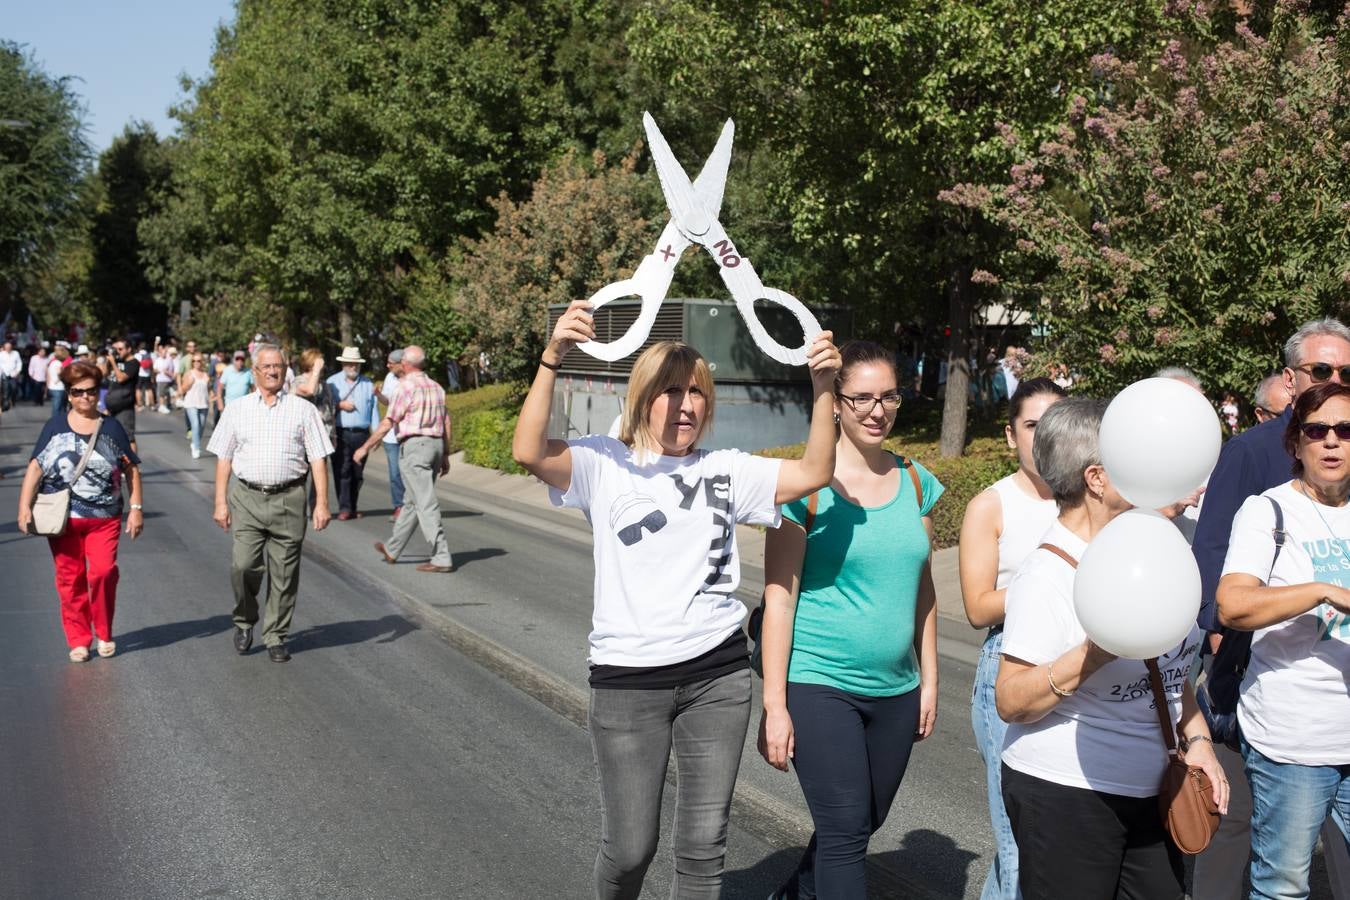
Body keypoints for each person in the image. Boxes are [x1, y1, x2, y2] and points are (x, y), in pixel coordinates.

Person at [511, 299, 840, 900]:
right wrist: (552, 357)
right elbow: (528, 451)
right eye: (670, 391)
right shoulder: (603, 464)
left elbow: (816, 471)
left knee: (703, 847)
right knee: (631, 847)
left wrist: (823, 387)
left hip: (717, 677)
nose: (684, 405)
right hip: (628, 681)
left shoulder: (727, 469)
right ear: (642, 398)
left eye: (696, 393)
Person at [996, 397, 1226, 900]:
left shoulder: (1150, 549)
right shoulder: (1048, 574)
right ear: (1097, 478)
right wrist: (1097, 649)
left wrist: (1200, 741)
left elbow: (1170, 671)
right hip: (1065, 794)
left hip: (1153, 793)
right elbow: (1011, 701)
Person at [758, 340, 942, 900]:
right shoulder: (802, 489)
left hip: (896, 688)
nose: (875, 410)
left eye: (887, 397)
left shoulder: (917, 482)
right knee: (843, 834)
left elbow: (923, 588)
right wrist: (774, 704)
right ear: (835, 402)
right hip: (819, 682)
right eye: (861, 397)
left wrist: (930, 679)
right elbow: (779, 598)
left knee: (863, 822)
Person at [1192, 317, 1350, 900]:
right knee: (1274, 871)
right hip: (1286, 722)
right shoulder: (1262, 487)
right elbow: (1223, 582)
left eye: (1346, 429)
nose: (1332, 440)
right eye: (1317, 432)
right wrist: (1322, 592)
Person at [957, 377, 1067, 900]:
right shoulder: (991, 505)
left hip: (1074, 668)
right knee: (1016, 840)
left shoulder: (1091, 494)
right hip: (1010, 666)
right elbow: (978, 606)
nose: (1043, 438)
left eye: (1054, 425)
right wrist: (1046, 584)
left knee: (1050, 843)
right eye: (1031, 426)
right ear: (1009, 435)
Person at [207, 344, 333, 663]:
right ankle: (245, 620)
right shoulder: (238, 409)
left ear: (285, 369)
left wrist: (321, 504)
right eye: (266, 367)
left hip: (290, 498)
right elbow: (224, 458)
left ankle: (276, 634)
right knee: (243, 565)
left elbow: (318, 458)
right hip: (247, 497)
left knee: (285, 573)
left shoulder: (303, 410)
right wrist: (220, 502)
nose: (273, 371)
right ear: (255, 372)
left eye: (278, 366)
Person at [15, 361, 144, 662]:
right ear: (69, 394)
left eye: (91, 391)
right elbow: (35, 468)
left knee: (102, 573)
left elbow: (131, 469)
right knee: (70, 578)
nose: (86, 397)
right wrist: (24, 508)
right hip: (62, 519)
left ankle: (104, 631)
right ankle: (79, 639)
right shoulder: (55, 426)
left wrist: (136, 508)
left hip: (105, 518)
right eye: (78, 392)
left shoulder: (111, 427)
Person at [354, 345, 452, 573]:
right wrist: (445, 454)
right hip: (435, 445)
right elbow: (446, 422)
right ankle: (393, 548)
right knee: (412, 500)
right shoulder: (437, 387)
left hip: (415, 446)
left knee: (425, 502)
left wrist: (365, 447)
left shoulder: (404, 386)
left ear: (405, 364)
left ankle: (441, 556)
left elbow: (389, 421)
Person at [326, 346, 376, 520]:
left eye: (356, 364)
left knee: (357, 473)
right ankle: (344, 508)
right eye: (350, 363)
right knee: (342, 470)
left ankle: (353, 506)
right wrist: (340, 405)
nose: (353, 367)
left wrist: (376, 436)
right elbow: (324, 407)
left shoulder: (368, 384)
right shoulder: (331, 382)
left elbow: (374, 410)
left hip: (362, 434)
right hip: (340, 432)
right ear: (343, 364)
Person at [292, 348, 336, 513]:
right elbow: (309, 390)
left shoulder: (325, 385)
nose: (323, 365)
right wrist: (316, 370)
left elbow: (330, 410)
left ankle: (317, 507)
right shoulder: (298, 381)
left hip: (322, 437)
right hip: (302, 438)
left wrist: (333, 436)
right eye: (319, 361)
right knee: (300, 476)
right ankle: (297, 509)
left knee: (320, 475)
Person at [380, 349, 406, 520]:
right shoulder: (389, 377)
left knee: (410, 473)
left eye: (391, 362)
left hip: (407, 434)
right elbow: (387, 402)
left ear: (401, 363)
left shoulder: (413, 379)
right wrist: (378, 395)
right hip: (391, 435)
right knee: (395, 473)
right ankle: (399, 506)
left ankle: (413, 507)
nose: (387, 365)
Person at [103, 339, 140, 452]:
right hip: (112, 405)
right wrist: (109, 362)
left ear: (129, 349)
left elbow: (121, 378)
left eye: (120, 349)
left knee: (128, 437)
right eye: (116, 349)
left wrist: (114, 363)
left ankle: (134, 466)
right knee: (111, 436)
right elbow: (105, 374)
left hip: (125, 405)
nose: (118, 352)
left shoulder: (133, 363)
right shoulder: (117, 361)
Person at [178, 352, 212, 459]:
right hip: (191, 403)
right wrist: (189, 383)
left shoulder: (205, 375)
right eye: (194, 361)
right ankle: (196, 448)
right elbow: (182, 389)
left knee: (201, 427)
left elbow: (209, 390)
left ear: (202, 362)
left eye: (198, 361)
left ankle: (194, 442)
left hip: (203, 403)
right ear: (191, 363)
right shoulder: (189, 374)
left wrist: (212, 396)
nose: (196, 363)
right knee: (195, 425)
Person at [46, 344, 69, 414]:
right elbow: (60, 373)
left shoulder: (52, 363)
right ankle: (55, 422)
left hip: (52, 387)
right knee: (58, 408)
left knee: (57, 407)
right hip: (58, 388)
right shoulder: (58, 364)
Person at [0, 339, 20, 410]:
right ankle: (6, 404)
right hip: (4, 374)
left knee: (14, 388)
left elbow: (19, 363)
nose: (8, 348)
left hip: (13, 374)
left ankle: (13, 400)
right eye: (6, 347)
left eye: (9, 347)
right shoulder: (1, 354)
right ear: (5, 347)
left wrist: (17, 372)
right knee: (6, 390)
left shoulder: (16, 353)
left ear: (11, 347)